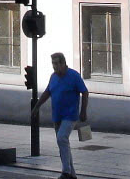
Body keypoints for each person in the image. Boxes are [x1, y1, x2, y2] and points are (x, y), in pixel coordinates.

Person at [31, 51, 89, 179]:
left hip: (70, 115)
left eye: (57, 63)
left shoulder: (74, 76)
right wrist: (37, 106)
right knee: (63, 143)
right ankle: (72, 174)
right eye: (53, 64)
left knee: (62, 138)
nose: (55, 66)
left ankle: (66, 172)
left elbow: (85, 92)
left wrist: (83, 111)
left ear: (63, 63)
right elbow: (47, 92)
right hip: (57, 115)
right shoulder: (53, 77)